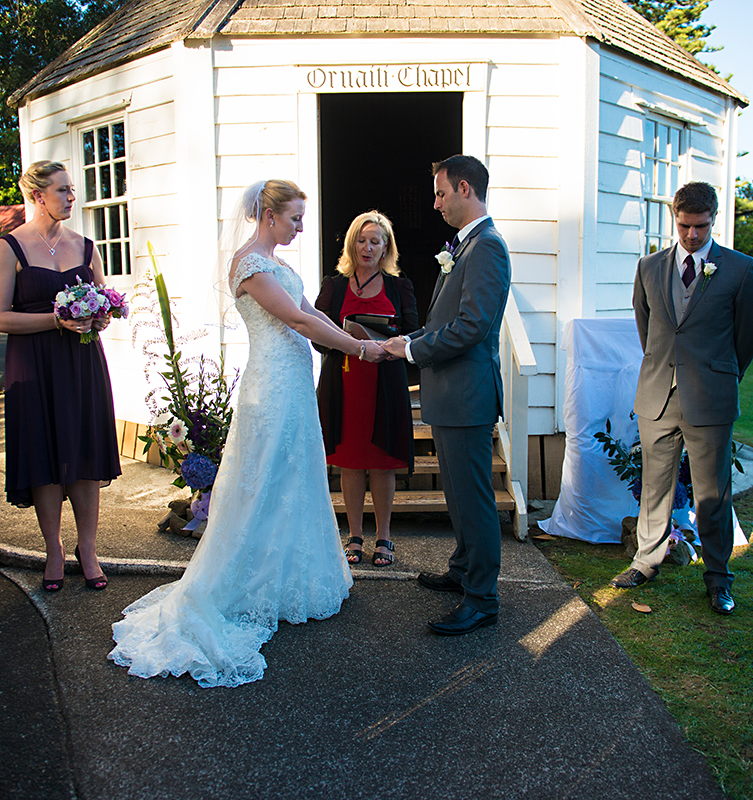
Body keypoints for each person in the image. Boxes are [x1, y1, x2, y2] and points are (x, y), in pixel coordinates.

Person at [109, 179, 384, 686]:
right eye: (295, 218)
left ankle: (289, 581)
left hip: (295, 384)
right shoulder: (250, 264)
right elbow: (298, 321)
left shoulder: (278, 263)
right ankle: (247, 586)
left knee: (295, 477)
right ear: (268, 213)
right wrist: (358, 350)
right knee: (264, 482)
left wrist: (353, 333)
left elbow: (314, 311)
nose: (301, 227)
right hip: (272, 387)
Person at [609, 182, 753, 616]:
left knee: (712, 493)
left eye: (701, 226)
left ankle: (718, 577)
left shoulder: (739, 268)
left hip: (710, 397)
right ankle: (646, 561)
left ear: (714, 219)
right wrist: (664, 368)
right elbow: (648, 329)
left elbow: (748, 336)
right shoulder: (649, 267)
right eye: (684, 225)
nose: (692, 235)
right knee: (654, 487)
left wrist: (722, 375)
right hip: (657, 394)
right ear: (673, 218)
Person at [383, 155, 511, 636]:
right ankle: (463, 570)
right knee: (457, 492)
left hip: (467, 395)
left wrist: (413, 348)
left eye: (439, 194)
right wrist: (407, 340)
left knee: (473, 497)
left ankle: (482, 598)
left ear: (463, 188)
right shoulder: (466, 246)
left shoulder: (487, 248)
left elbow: (473, 327)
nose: (434, 204)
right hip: (452, 393)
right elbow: (446, 320)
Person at [0, 160, 121, 592]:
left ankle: (89, 548)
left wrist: (99, 318)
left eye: (71, 190)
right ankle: (53, 550)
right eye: (62, 190)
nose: (70, 197)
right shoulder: (10, 247)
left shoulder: (86, 246)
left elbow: (104, 305)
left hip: (81, 362)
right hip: (34, 363)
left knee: (83, 452)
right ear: (37, 195)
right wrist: (56, 320)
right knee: (44, 453)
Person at [314, 211, 418, 567]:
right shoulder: (335, 285)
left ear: (386, 246)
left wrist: (389, 341)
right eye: (361, 240)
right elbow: (316, 332)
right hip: (343, 383)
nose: (367, 247)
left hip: (384, 382)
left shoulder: (399, 285)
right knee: (350, 462)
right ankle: (355, 535)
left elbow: (414, 332)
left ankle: (384, 537)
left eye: (375, 241)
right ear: (351, 243)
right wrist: (345, 339)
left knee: (381, 462)